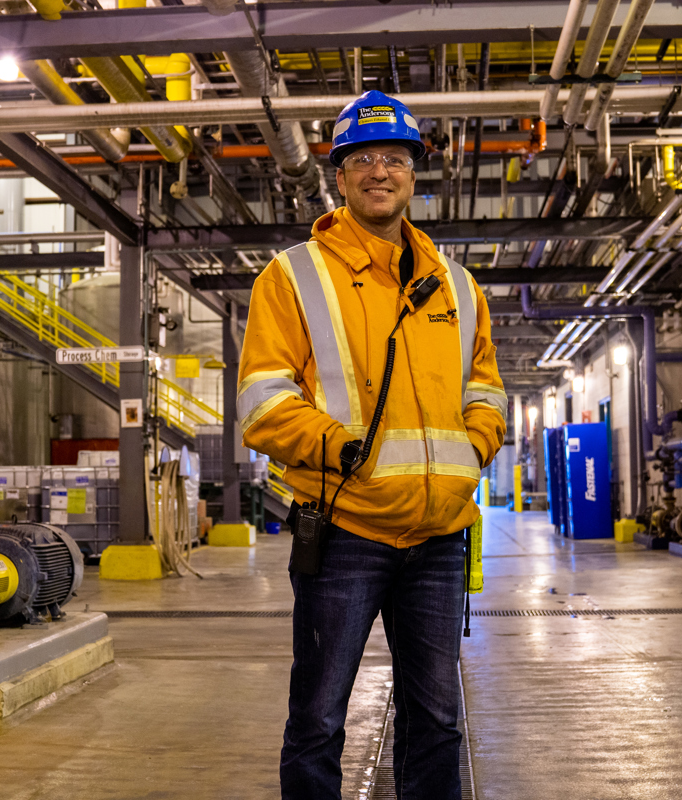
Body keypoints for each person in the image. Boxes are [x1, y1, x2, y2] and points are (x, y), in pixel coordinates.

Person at [238, 90, 506, 800]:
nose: (378, 171)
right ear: (340, 176)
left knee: (440, 717)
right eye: (362, 159)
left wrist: (474, 449)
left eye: (394, 157)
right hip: (344, 532)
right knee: (321, 718)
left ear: (415, 172)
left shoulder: (458, 287)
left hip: (440, 536)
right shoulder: (294, 275)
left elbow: (486, 391)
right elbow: (261, 401)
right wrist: (336, 445)